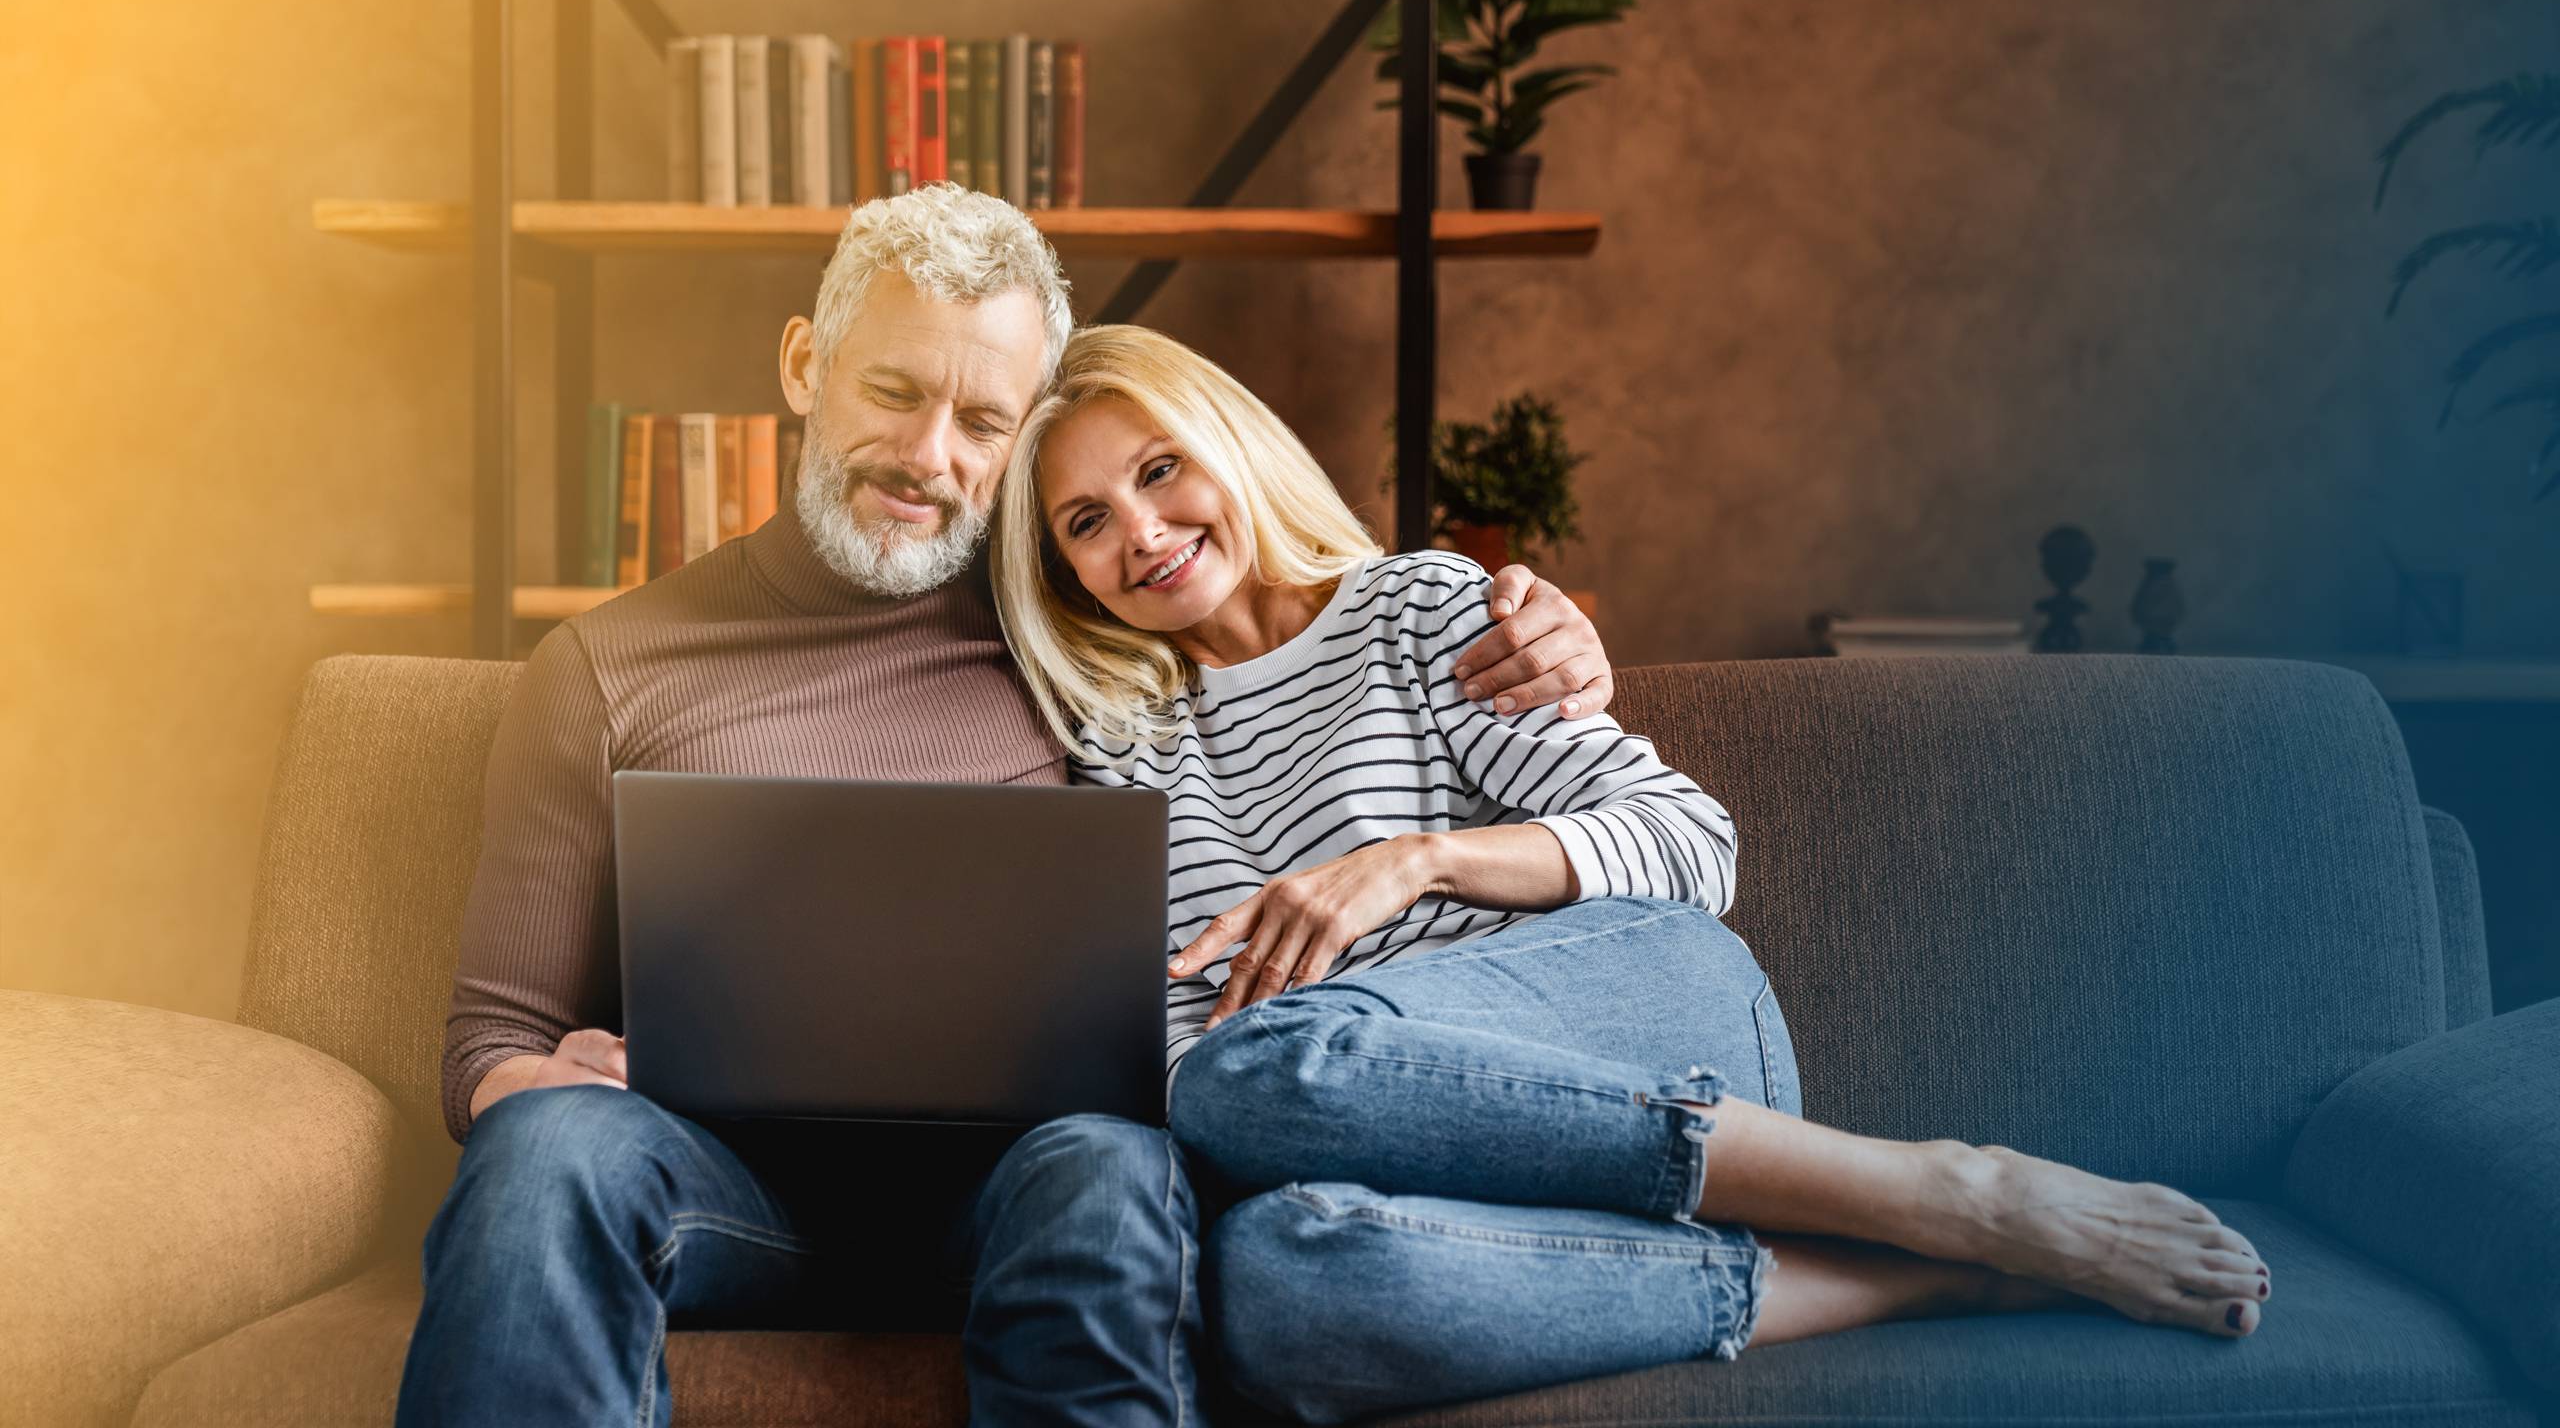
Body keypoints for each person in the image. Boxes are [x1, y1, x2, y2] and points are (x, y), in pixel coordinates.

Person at [394, 184, 1618, 1428]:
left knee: (1107, 1162)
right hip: (721, 1189)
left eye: (984, 419)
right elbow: (486, 1043)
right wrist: (541, 1082)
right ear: (805, 364)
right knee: (544, 1148)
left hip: (1026, 1186)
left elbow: (1301, 623)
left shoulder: (1085, 624)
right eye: (891, 391)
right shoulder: (604, 669)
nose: (931, 457)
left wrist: (1537, 634)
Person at [989, 323, 2277, 1424]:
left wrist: (1412, 862)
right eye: (1087, 522)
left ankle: (1942, 1186)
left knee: (1267, 1067)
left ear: (1233, 444)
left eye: (1160, 469)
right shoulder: (1127, 748)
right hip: (1400, 1154)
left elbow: (1683, 840)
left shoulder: (1422, 611)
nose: (1143, 532)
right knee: (1279, 1283)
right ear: (1061, 572)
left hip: (1636, 1031)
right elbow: (1177, 1048)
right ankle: (1933, 1271)